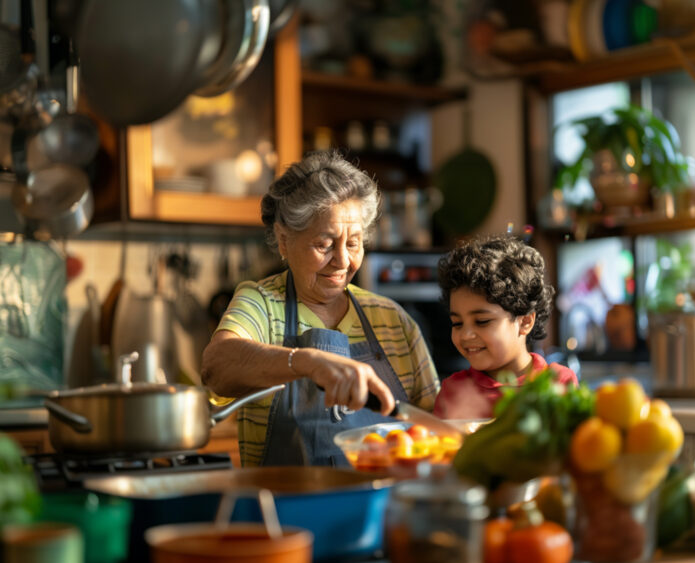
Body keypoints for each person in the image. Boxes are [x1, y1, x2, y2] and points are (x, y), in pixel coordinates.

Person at [201, 150, 440, 467]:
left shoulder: (392, 319)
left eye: (353, 243)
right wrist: (306, 362)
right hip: (286, 512)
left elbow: (435, 426)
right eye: (325, 244)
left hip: (381, 511)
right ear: (284, 240)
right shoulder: (260, 303)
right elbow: (216, 367)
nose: (343, 261)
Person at [433, 235, 577, 419]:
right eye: (457, 323)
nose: (466, 335)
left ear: (525, 322)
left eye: (482, 321)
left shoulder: (559, 382)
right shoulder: (452, 391)